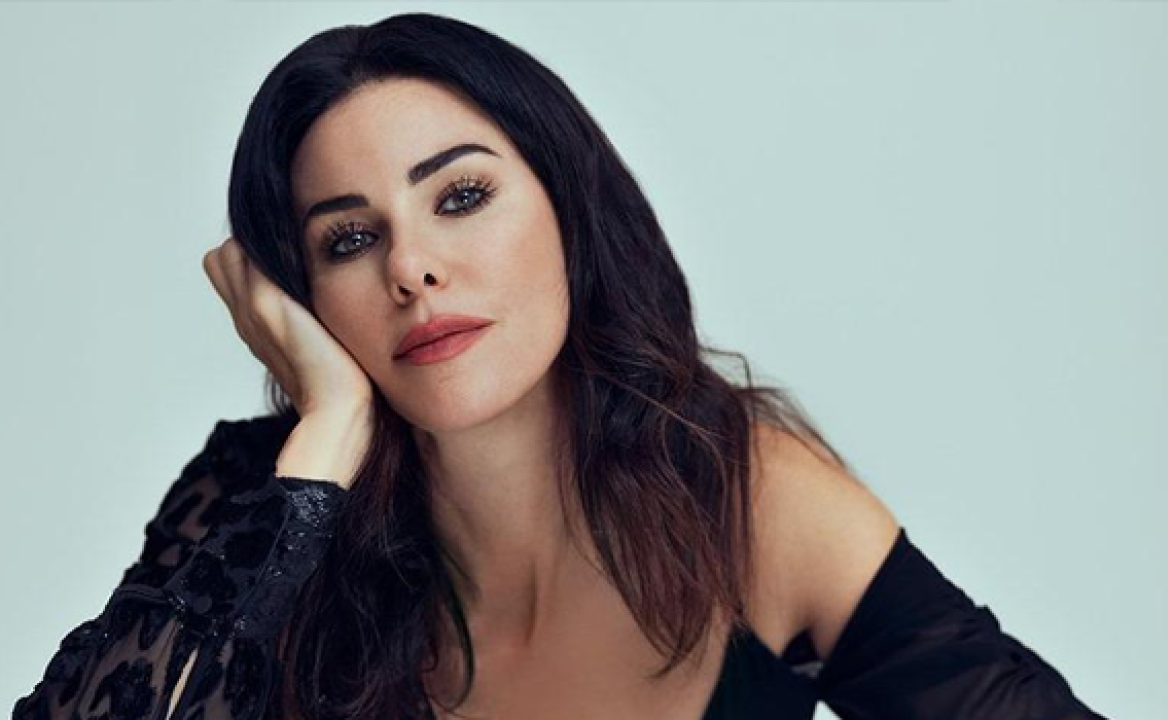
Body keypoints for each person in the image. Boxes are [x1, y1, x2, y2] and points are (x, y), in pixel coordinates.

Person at [12, 11, 1107, 720]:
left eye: (460, 196)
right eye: (348, 239)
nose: (411, 269)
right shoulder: (259, 504)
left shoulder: (751, 503)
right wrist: (329, 428)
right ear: (299, 297)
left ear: (570, 213)